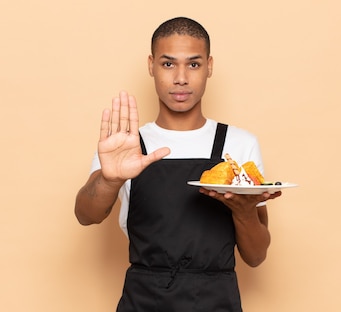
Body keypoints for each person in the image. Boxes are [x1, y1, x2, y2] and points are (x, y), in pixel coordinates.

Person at [75, 17, 282, 312]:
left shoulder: (238, 144)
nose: (181, 78)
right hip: (143, 301)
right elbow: (85, 215)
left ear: (209, 66)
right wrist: (110, 179)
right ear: (151, 65)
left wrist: (245, 211)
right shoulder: (127, 144)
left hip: (217, 302)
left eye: (194, 64)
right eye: (168, 64)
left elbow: (256, 255)